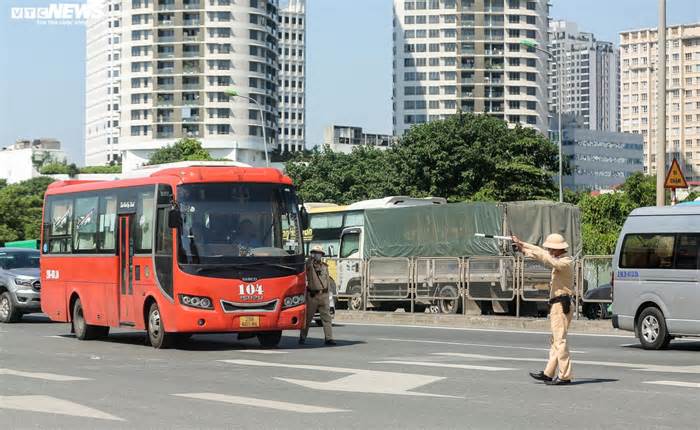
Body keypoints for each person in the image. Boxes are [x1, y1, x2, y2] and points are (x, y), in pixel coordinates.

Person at [513, 233, 574, 386]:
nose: (549, 250)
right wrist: (522, 245)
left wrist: (527, 249)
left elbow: (544, 257)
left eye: (551, 248)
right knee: (555, 342)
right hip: (556, 305)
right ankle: (549, 373)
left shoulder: (565, 261)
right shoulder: (557, 258)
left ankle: (565, 376)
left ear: (557, 249)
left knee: (560, 341)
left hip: (561, 304)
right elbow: (541, 252)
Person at [299, 245, 336, 346]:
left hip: (323, 294)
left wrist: (329, 294)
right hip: (312, 295)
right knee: (308, 318)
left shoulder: (324, 266)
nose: (318, 255)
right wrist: (310, 259)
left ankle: (329, 338)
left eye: (319, 253)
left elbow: (327, 281)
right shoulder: (310, 265)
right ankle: (302, 337)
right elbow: (306, 267)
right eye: (316, 253)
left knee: (327, 318)